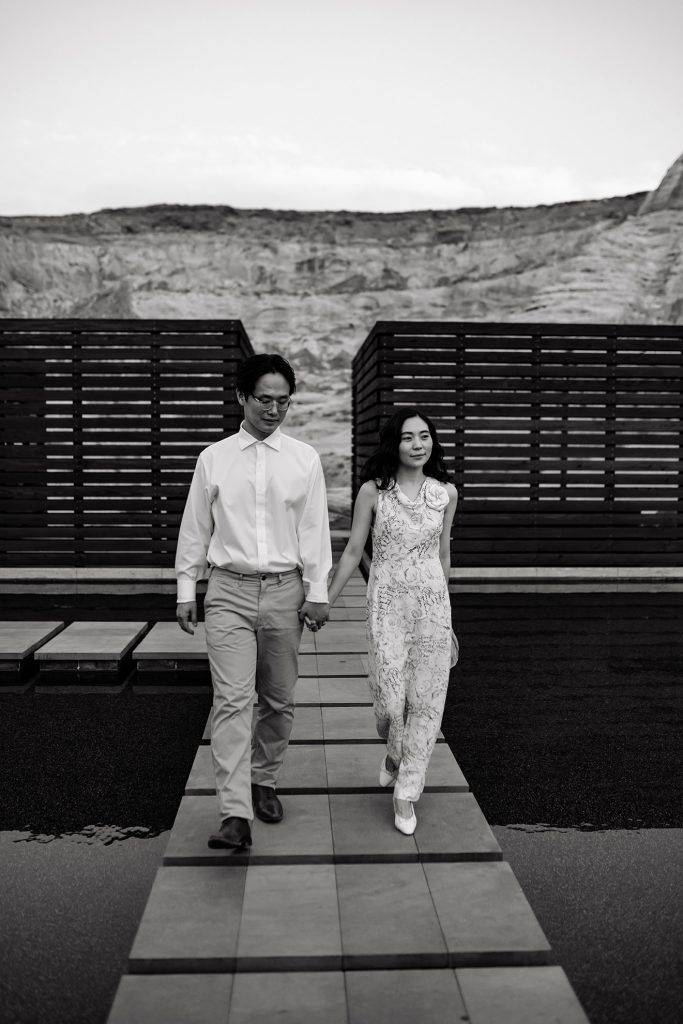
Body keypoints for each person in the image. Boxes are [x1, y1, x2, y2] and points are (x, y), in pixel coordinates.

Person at [175, 353, 331, 850]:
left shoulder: (304, 458)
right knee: (233, 700)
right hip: (228, 593)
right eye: (264, 399)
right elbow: (195, 529)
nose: (274, 409)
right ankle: (235, 814)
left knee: (279, 700)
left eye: (283, 401)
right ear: (241, 396)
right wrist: (186, 588)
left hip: (287, 591)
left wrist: (318, 591)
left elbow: (315, 532)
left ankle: (264, 780)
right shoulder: (214, 458)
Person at [327, 408, 458, 835]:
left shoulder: (445, 495)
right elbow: (352, 552)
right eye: (408, 437)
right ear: (393, 444)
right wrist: (324, 600)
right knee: (389, 698)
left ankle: (406, 792)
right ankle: (393, 751)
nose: (418, 445)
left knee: (427, 699)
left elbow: (443, 555)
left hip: (432, 607)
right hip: (386, 606)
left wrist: (448, 618)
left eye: (425, 436)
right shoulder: (373, 492)